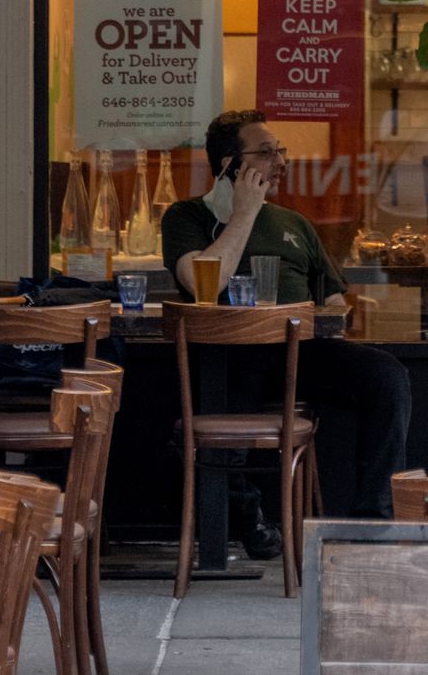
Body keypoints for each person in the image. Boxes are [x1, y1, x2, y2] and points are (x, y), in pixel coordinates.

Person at [161, 109, 412, 553]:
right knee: (225, 399)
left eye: (281, 151)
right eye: (265, 153)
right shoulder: (185, 218)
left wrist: (327, 317)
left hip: (303, 353)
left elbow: (334, 300)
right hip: (228, 355)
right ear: (228, 166)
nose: (280, 161)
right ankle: (246, 518)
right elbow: (205, 283)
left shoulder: (294, 224)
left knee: (386, 377)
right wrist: (243, 215)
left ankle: (372, 526)